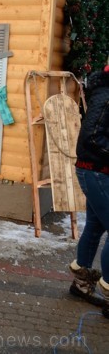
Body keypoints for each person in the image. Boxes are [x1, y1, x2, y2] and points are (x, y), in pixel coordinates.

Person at [69, 62, 109, 318]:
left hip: (97, 170)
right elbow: (92, 136)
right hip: (95, 171)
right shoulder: (106, 95)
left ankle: (81, 283)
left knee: (95, 226)